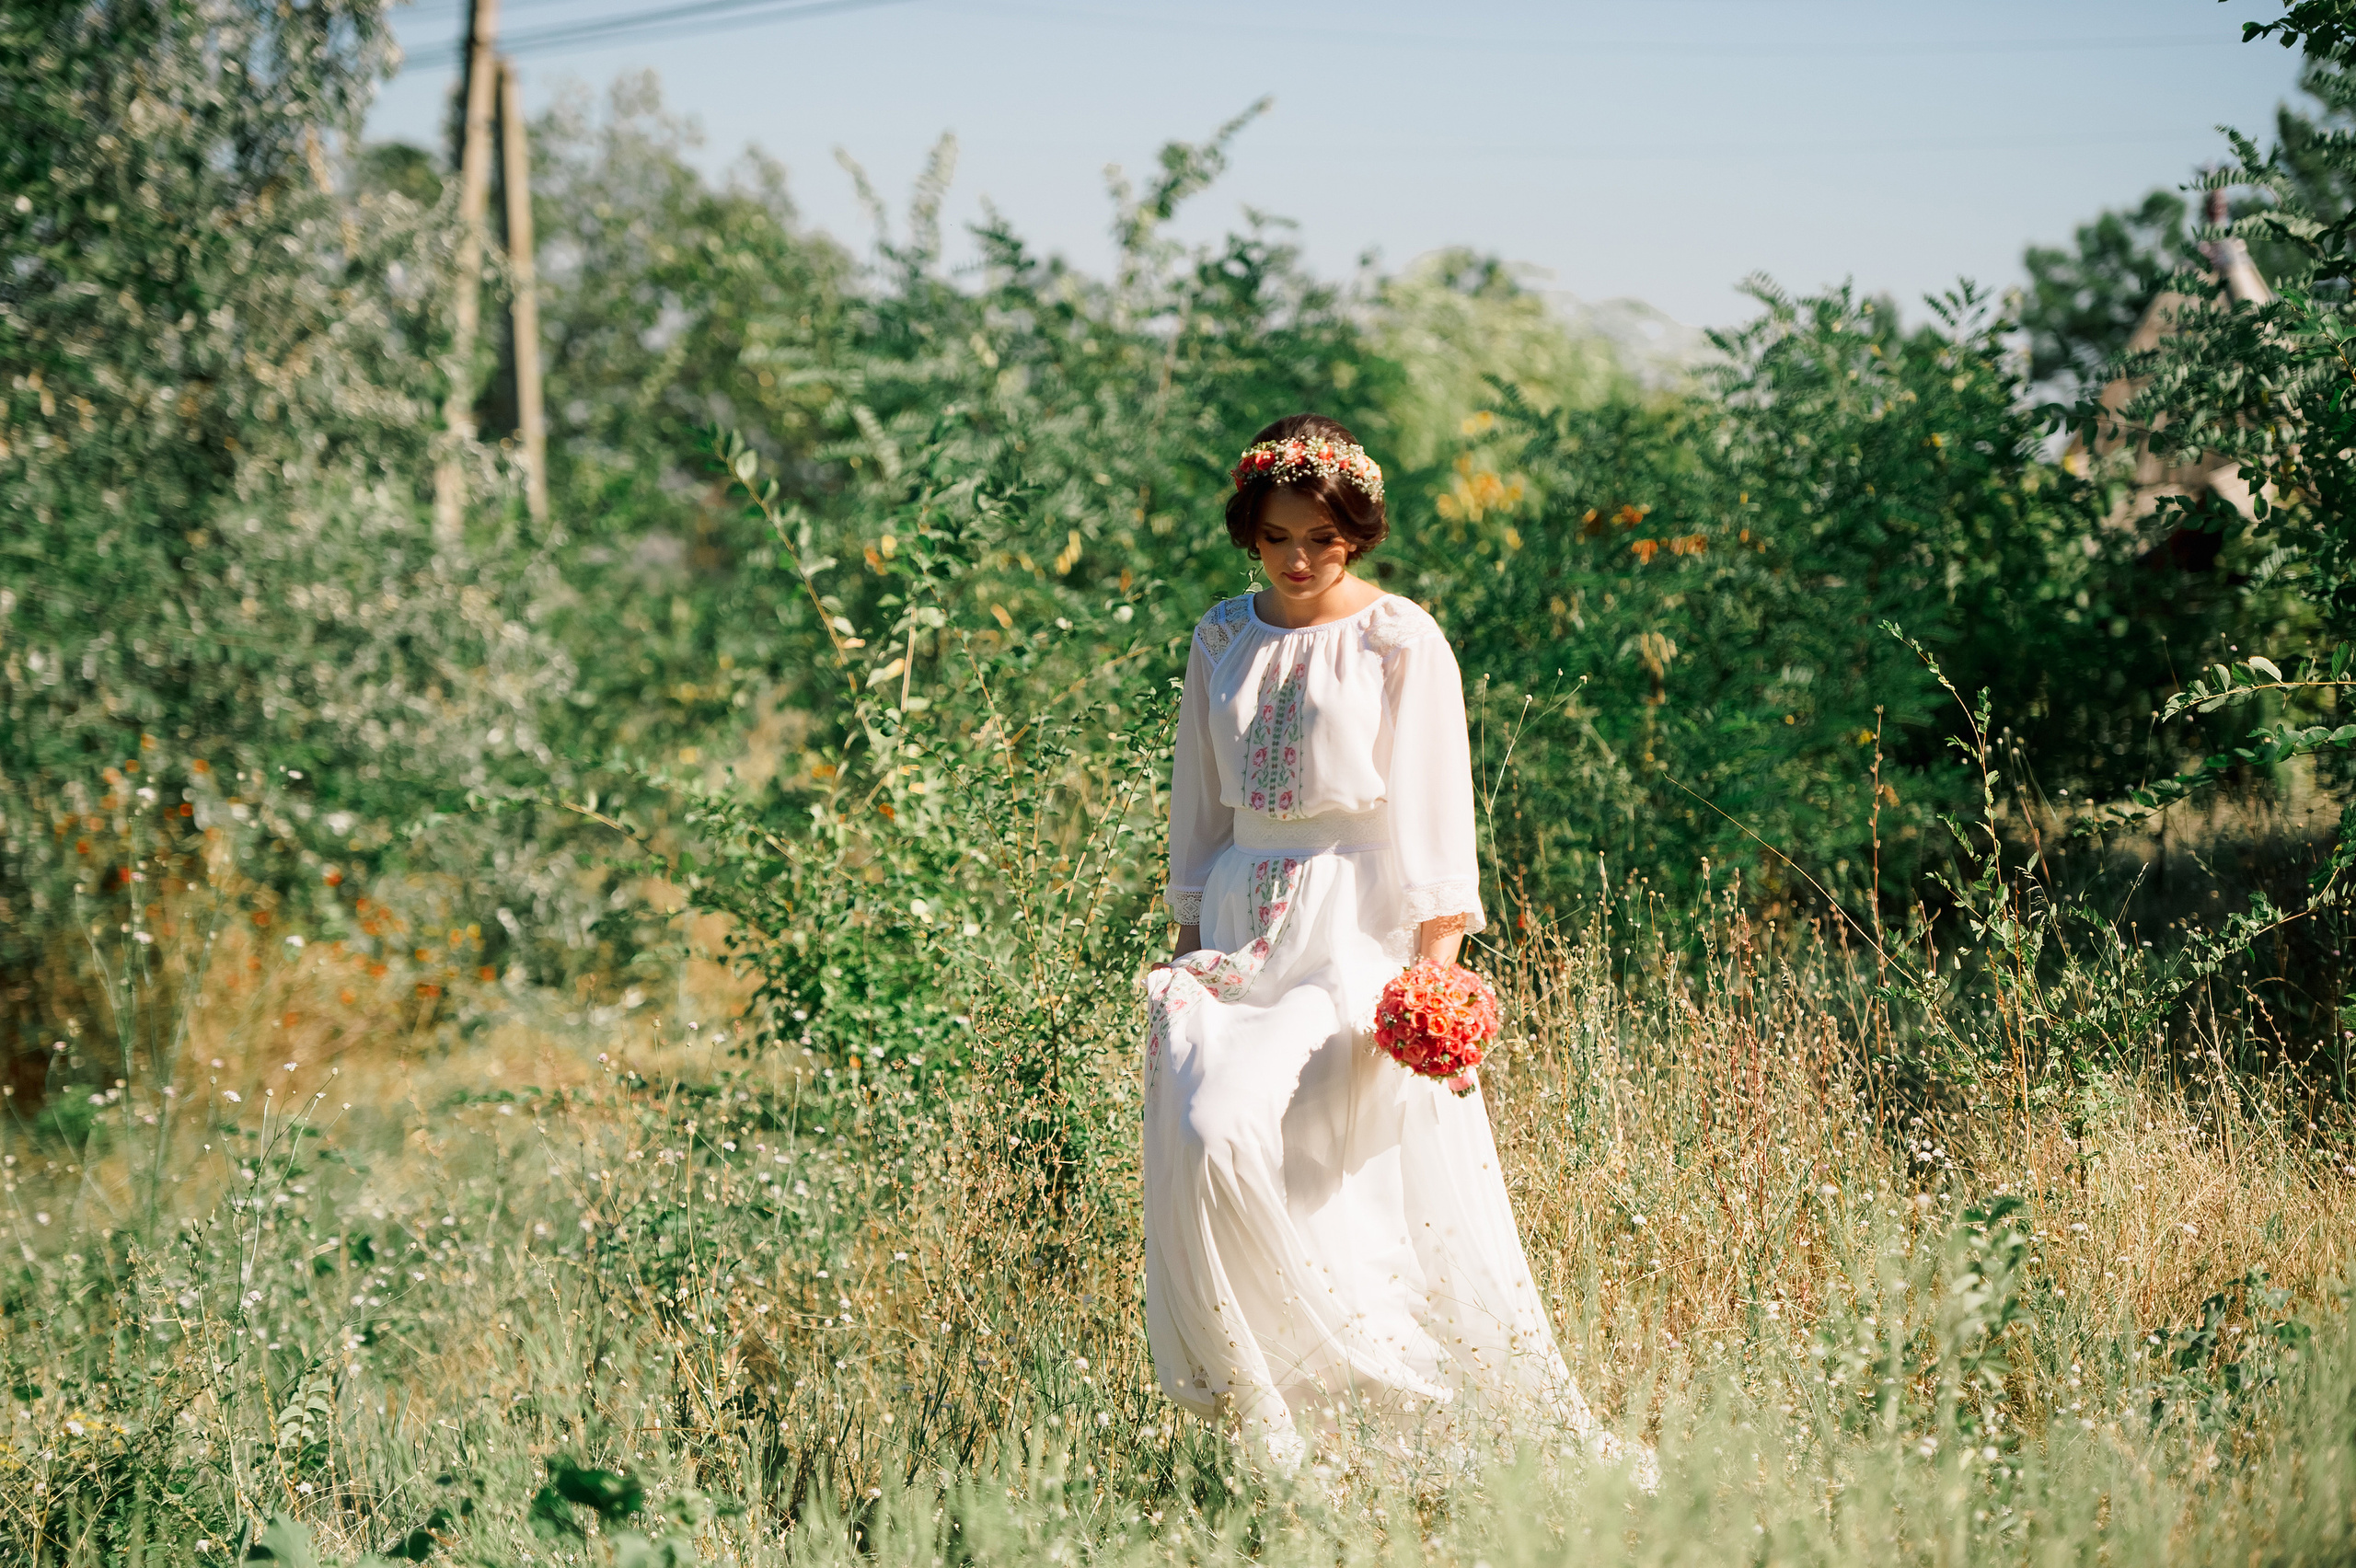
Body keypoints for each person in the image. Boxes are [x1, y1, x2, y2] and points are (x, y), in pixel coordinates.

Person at [1141, 413, 1612, 1476]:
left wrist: (1434, 976)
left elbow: (1436, 806)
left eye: (1321, 538)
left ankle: (1392, 1412)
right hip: (1237, 927)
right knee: (1210, 1133)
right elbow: (1197, 805)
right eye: (1276, 538)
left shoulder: (1399, 637)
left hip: (1353, 927)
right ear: (1249, 532)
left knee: (1338, 1174)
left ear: (1355, 531)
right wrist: (1185, 942)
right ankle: (1270, 1409)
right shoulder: (1220, 638)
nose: (1298, 559)